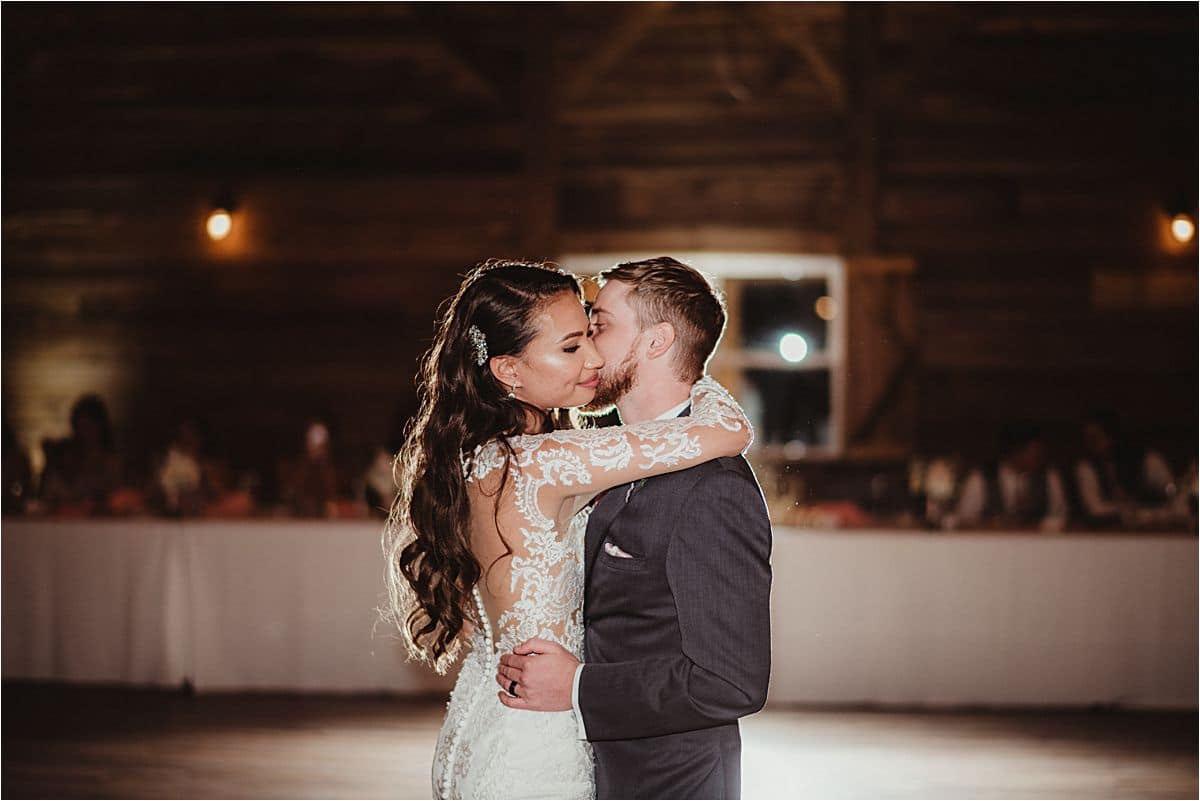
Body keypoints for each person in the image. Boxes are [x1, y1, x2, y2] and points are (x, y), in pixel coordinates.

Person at [382, 260, 752, 800]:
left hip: (486, 715)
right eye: (572, 346)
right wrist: (691, 367)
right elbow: (728, 430)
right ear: (508, 371)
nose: (595, 358)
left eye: (593, 332)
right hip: (538, 735)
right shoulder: (545, 460)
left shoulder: (484, 456)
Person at [495, 257, 773, 799]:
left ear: (656, 341)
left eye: (600, 325)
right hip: (584, 766)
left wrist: (577, 686)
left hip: (669, 781)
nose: (590, 349)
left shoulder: (712, 487)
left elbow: (730, 681)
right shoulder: (612, 459)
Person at [951, 423, 1069, 532]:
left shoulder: (1048, 476)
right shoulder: (982, 477)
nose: (1038, 458)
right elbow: (964, 518)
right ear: (1016, 451)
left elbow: (1060, 515)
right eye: (1032, 452)